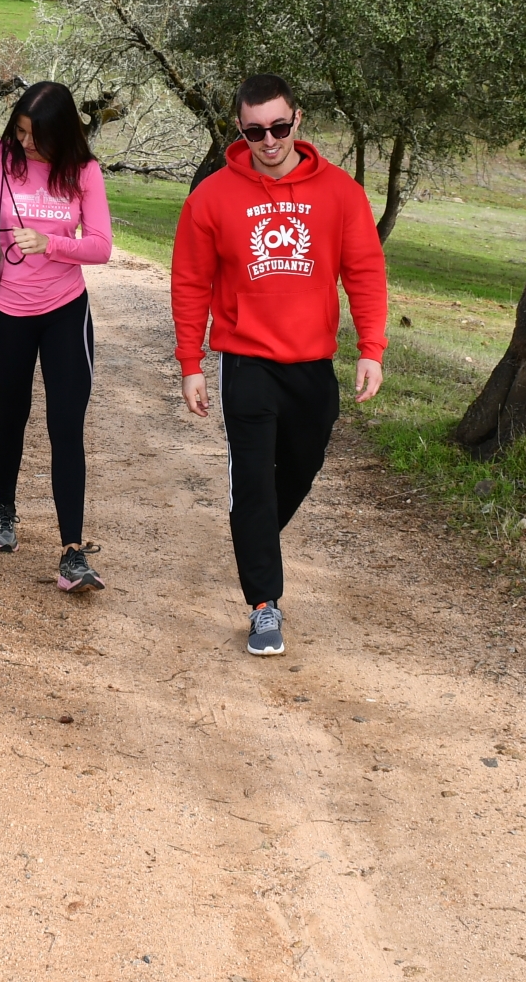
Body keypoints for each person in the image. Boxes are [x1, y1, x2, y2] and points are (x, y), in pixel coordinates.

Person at [171, 73, 386, 658]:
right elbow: (190, 283)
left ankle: (253, 530)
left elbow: (364, 272)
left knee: (301, 463)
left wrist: (372, 348)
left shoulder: (341, 192)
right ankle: (264, 603)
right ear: (240, 131)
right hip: (245, 361)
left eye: (280, 127)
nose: (269, 140)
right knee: (255, 482)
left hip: (312, 363)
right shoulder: (212, 197)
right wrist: (190, 361)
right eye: (256, 130)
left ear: (299, 121)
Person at [0, 81, 112, 593]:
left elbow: (101, 247)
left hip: (66, 311)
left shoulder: (83, 172)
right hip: (6, 313)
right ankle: (3, 508)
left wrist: (51, 243)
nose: (23, 142)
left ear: (61, 133)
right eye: (19, 131)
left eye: (34, 134)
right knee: (14, 413)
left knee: (67, 425)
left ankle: (72, 551)